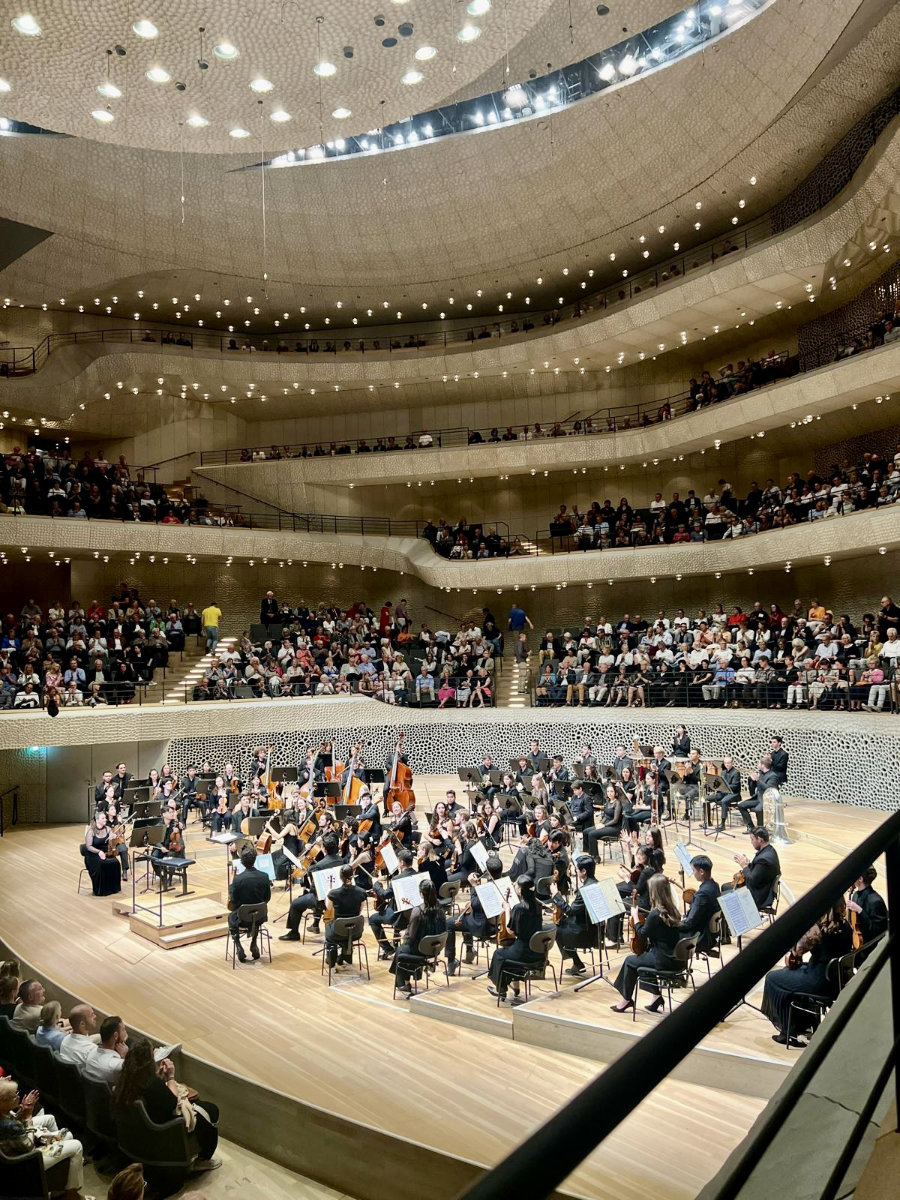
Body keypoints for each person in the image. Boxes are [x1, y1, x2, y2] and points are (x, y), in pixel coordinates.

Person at [114, 1037, 220, 1170]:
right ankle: (203, 1159)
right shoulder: (151, 1083)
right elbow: (172, 1102)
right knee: (211, 1110)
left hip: (140, 1128)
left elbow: (154, 1090)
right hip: (165, 1127)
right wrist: (170, 1076)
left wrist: (158, 1077)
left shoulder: (125, 1079)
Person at [761, 898, 853, 1045]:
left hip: (819, 981)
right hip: (837, 981)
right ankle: (802, 1024)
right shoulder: (846, 926)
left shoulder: (818, 930)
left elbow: (795, 954)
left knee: (773, 978)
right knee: (788, 974)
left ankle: (789, 1032)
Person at [0, 1075, 86, 1199]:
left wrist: (23, 1111)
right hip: (26, 1162)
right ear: (3, 1102)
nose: (18, 1097)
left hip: (16, 1148)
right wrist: (28, 1117)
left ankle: (60, 1186)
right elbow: (29, 1147)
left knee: (55, 1124)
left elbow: (15, 1124)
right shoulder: (8, 1126)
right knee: (76, 1145)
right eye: (15, 1096)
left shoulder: (3, 1114)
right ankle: (71, 1194)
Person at [611, 874, 684, 1014]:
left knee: (630, 961)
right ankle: (656, 997)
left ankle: (626, 1000)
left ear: (654, 892)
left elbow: (642, 933)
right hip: (675, 957)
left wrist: (635, 917)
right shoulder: (673, 909)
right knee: (642, 959)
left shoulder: (656, 914)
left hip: (663, 960)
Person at [487, 874, 544, 1005]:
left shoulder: (519, 908)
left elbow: (510, 931)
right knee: (507, 952)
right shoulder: (537, 904)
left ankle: (501, 989)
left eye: (517, 886)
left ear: (521, 890)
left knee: (499, 954)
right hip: (537, 951)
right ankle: (513, 984)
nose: (515, 887)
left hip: (524, 952)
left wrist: (507, 910)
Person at [446, 856, 503, 976]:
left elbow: (475, 904)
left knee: (449, 923)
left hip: (482, 927)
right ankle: (469, 951)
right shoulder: (503, 884)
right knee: (465, 916)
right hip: (497, 926)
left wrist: (473, 886)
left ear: (488, 872)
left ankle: (451, 963)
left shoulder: (489, 888)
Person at [391, 878, 446, 998]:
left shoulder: (417, 911)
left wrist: (404, 934)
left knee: (400, 951)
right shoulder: (441, 909)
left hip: (420, 949)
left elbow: (411, 937)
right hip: (435, 948)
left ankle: (403, 983)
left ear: (421, 894)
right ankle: (409, 978)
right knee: (405, 949)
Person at [554, 855, 599, 976]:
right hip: (596, 929)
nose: (575, 872)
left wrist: (556, 896)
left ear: (584, 871)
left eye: (577, 870)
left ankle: (577, 963)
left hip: (586, 933)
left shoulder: (585, 890)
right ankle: (577, 963)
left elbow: (570, 911)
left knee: (557, 929)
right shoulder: (597, 884)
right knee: (562, 922)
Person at [228, 845, 272, 962]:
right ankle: (254, 942)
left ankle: (238, 945)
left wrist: (231, 885)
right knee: (254, 915)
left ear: (242, 862)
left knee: (231, 917)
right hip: (260, 916)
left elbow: (233, 901)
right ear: (255, 860)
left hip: (242, 918)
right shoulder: (264, 876)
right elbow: (267, 898)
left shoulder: (238, 879)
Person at [324, 864, 368, 969]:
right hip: (355, 931)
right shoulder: (362, 892)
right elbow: (360, 910)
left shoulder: (333, 893)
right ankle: (346, 957)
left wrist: (327, 894)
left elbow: (328, 908)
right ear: (353, 875)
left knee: (329, 929)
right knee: (347, 927)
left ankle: (331, 960)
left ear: (340, 877)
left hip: (338, 932)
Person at [725, 826, 780, 909]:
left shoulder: (764, 859)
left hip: (759, 896)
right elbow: (760, 870)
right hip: (763, 888)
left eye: (752, 839)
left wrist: (744, 866)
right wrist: (749, 865)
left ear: (760, 839)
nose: (751, 842)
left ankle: (735, 915)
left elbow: (752, 881)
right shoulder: (769, 850)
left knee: (726, 888)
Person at [678, 855, 721, 953]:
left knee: (666, 935)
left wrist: (674, 924)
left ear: (701, 872)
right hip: (711, 934)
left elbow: (690, 922)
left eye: (693, 870)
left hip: (699, 937)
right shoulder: (715, 885)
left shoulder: (702, 894)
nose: (693, 873)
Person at [848, 866, 888, 958]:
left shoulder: (876, 901)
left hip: (871, 951)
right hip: (858, 947)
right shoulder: (855, 895)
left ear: (860, 879)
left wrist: (860, 911)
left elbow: (879, 932)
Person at [83, 810, 122, 896]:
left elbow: (112, 841)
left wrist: (113, 837)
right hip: (93, 855)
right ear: (97, 820)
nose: (105, 819)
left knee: (116, 863)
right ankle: (101, 890)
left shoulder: (108, 829)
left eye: (105, 818)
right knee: (102, 864)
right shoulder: (91, 831)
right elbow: (88, 846)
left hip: (105, 853)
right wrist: (99, 852)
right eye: (103, 818)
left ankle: (113, 888)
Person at [83, 1014, 129, 1085]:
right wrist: (126, 1056)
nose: (125, 1033)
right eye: (123, 1030)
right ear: (115, 1036)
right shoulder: (117, 1065)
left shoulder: (89, 1053)